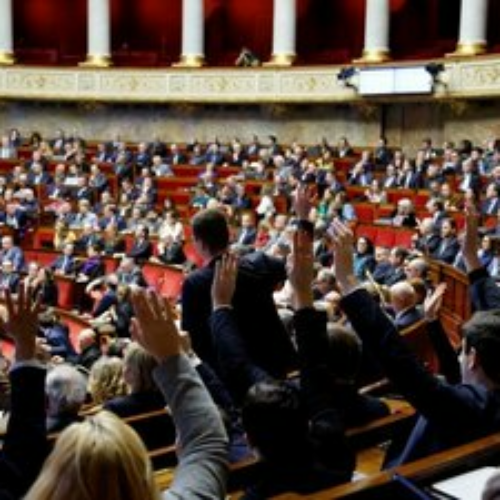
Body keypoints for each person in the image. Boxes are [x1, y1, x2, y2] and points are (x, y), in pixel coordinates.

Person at [329, 211, 500, 467]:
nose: (460, 359)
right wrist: (471, 259)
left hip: (400, 482)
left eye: (462, 352)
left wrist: (348, 282)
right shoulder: (481, 397)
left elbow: (399, 360)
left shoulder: (469, 405)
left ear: (473, 358)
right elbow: (455, 371)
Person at [25, 288, 228, 500]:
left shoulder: (114, 408)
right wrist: (172, 355)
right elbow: (207, 443)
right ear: (137, 468)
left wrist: (24, 349)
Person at [181, 209, 297, 385]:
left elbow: (194, 340)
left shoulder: (194, 283)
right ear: (228, 235)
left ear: (199, 242)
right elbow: (294, 269)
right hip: (276, 362)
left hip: (232, 374)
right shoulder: (259, 263)